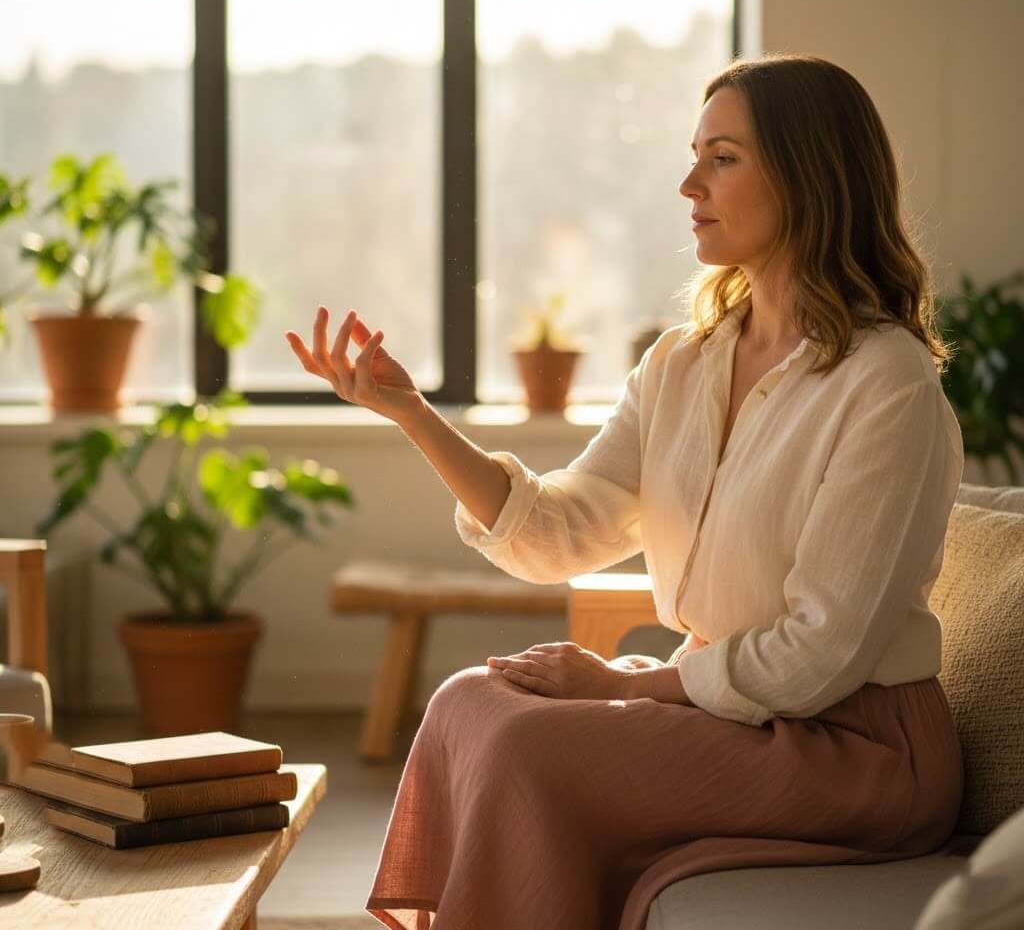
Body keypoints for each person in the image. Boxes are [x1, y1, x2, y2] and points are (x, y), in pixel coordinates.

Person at [285, 53, 965, 930]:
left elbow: (817, 654)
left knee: (531, 746)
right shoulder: (683, 362)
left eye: (723, 157)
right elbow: (558, 532)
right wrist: (411, 413)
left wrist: (626, 686)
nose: (689, 184)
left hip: (857, 747)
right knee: (466, 702)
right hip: (731, 713)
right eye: (695, 154)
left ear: (810, 176)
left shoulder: (887, 382)